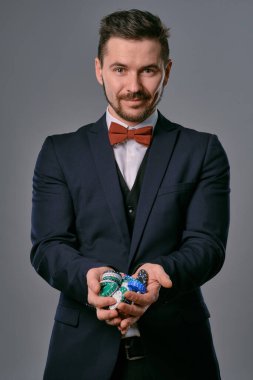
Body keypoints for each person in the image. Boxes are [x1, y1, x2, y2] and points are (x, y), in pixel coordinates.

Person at [31, 9, 230, 380]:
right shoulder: (59, 152)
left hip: (180, 355)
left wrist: (163, 274)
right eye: (120, 69)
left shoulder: (203, 150)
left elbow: (208, 245)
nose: (133, 86)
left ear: (167, 71)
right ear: (98, 69)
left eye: (148, 70)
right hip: (80, 356)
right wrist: (87, 277)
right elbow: (48, 245)